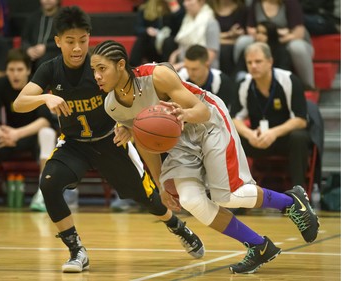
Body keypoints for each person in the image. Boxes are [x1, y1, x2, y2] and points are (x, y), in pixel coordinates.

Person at [90, 39, 319, 274]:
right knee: (191, 200)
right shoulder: (112, 106)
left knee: (229, 195)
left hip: (207, 122)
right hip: (179, 138)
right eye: (93, 70)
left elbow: (202, 111)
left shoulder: (157, 76)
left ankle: (292, 203)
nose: (96, 76)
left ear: (120, 65)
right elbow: (147, 143)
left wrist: (182, 114)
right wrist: (159, 183)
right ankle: (259, 246)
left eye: (102, 68)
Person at [13, 6, 204, 273]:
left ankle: (177, 226)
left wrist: (128, 124)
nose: (77, 48)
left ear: (89, 38)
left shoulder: (100, 68)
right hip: (74, 144)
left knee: (149, 199)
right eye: (70, 42)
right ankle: (76, 250)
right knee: (49, 183)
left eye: (82, 40)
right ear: (58, 41)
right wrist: (44, 97)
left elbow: (132, 96)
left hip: (111, 141)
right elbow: (19, 103)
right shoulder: (49, 70)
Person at [0, 49, 56, 210]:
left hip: (30, 138)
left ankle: (44, 194)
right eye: (11, 70)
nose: (15, 74)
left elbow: (45, 120)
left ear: (28, 70)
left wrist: (17, 134)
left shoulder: (36, 86)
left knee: (48, 133)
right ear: (6, 71)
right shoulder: (0, 85)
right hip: (6, 137)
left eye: (20, 70)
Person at [232, 42, 311, 187]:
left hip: (284, 138)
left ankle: (299, 194)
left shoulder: (289, 80)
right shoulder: (243, 84)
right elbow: (234, 118)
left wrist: (273, 133)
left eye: (258, 61)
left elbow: (300, 120)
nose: (253, 66)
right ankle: (239, 192)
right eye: (249, 62)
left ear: (270, 62)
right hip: (257, 138)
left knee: (299, 137)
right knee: (233, 138)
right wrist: (249, 134)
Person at [234, 0, 316, 89]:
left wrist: (274, 37)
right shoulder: (256, 3)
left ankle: (308, 85)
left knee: (296, 47)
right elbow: (250, 29)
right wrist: (269, 34)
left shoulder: (291, 3)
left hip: (289, 40)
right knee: (243, 41)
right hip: (264, 37)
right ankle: (241, 78)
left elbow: (298, 33)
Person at [177, 44, 236, 112]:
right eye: (187, 67)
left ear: (207, 65)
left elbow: (225, 114)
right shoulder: (180, 78)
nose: (190, 72)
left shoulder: (222, 81)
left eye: (194, 69)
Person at [129, 0, 185, 66]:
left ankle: (168, 69)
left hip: (170, 46)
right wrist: (146, 30)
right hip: (153, 46)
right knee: (142, 38)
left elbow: (181, 29)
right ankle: (132, 68)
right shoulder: (146, 8)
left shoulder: (178, 7)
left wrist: (175, 10)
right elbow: (136, 29)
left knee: (169, 41)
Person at [169, 0, 220, 71]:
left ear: (201, 1)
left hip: (203, 70)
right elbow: (185, 47)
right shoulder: (187, 21)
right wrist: (174, 54)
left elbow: (210, 56)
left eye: (189, 1)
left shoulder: (211, 23)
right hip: (184, 67)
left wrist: (182, 65)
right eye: (185, 1)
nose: (185, 4)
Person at [21, 0, 61, 73]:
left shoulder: (64, 18)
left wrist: (46, 47)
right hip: (32, 55)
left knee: (44, 62)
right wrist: (28, 49)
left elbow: (66, 40)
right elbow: (24, 39)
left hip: (54, 53)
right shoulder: (32, 17)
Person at [209, 0, 247, 77]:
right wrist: (229, 34)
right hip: (213, 44)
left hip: (233, 45)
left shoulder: (241, 10)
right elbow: (208, 35)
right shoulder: (210, 9)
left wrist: (219, 38)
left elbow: (241, 37)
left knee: (225, 51)